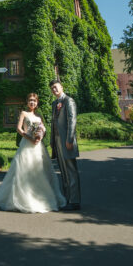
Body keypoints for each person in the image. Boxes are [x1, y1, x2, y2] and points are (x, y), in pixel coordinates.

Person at [0, 92, 66, 213]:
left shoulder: (38, 116)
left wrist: (40, 136)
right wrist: (29, 138)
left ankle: (40, 198)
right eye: (30, 100)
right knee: (24, 172)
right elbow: (19, 129)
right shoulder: (23, 113)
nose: (32, 102)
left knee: (39, 171)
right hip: (26, 145)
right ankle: (23, 199)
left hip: (38, 147)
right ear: (27, 102)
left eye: (34, 101)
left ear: (37, 103)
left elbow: (43, 129)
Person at [50, 79, 81, 211]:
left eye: (56, 87)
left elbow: (72, 120)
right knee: (63, 171)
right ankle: (67, 199)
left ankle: (75, 201)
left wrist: (69, 139)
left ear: (61, 87)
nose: (54, 90)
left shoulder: (69, 101)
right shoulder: (54, 103)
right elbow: (53, 123)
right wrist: (52, 141)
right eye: (52, 88)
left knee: (71, 171)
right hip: (57, 140)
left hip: (66, 140)